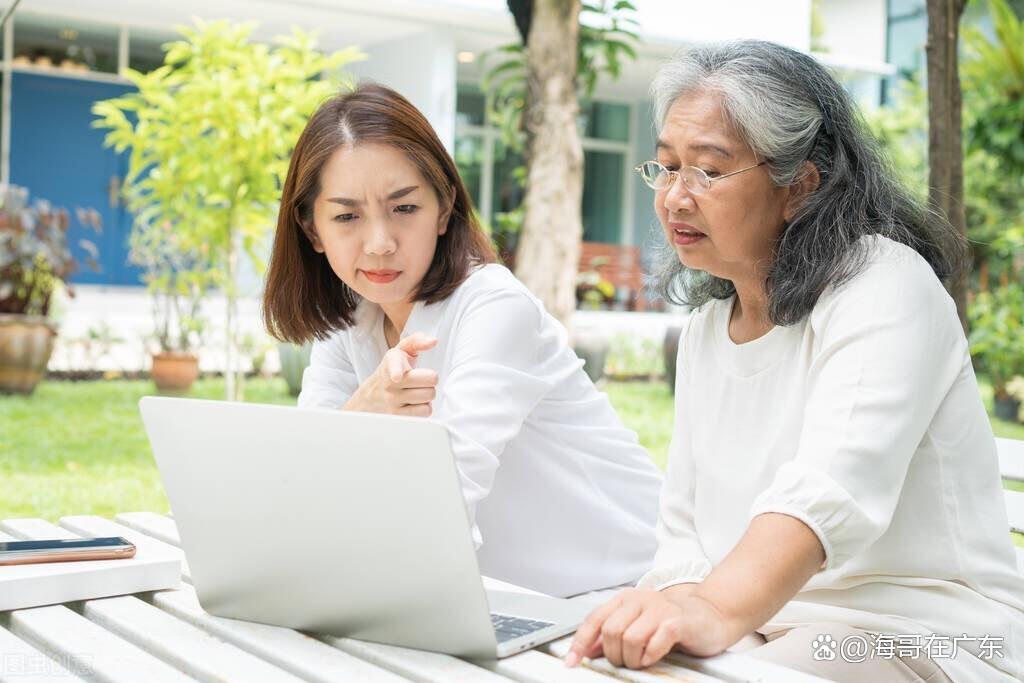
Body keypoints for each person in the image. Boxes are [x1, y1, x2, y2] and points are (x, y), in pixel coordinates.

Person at [566, 40, 1024, 682]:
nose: (674, 197)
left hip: (925, 639)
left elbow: (830, 491)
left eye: (709, 170)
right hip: (767, 631)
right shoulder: (704, 330)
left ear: (799, 185)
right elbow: (683, 533)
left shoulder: (885, 283)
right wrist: (673, 606)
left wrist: (714, 610)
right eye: (666, 167)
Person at [262, 83, 662, 598]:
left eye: (404, 209)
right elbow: (305, 490)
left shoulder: (494, 306)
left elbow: (445, 500)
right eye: (346, 216)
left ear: (444, 207)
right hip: (502, 598)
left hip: (624, 591)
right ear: (312, 230)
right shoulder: (352, 317)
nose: (380, 243)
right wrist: (363, 411)